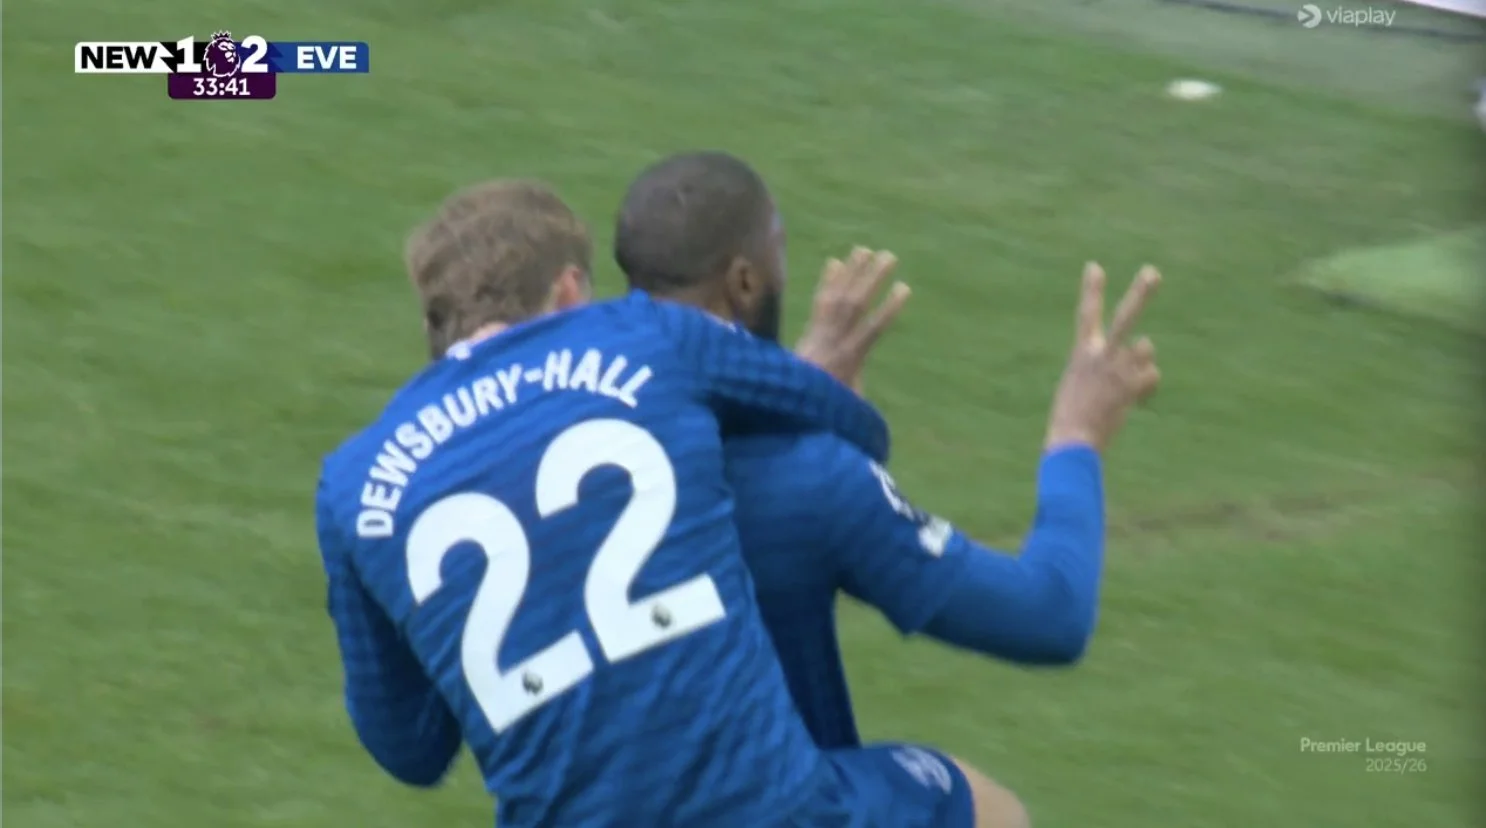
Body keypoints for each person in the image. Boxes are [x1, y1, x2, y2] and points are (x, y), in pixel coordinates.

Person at [313, 179, 906, 827]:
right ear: (570, 291)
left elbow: (410, 750)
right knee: (970, 797)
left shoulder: (349, 485)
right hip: (764, 805)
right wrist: (809, 378)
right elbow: (850, 432)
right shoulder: (646, 334)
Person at [612, 151, 1163, 826]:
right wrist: (1077, 435)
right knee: (992, 813)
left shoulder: (559, 444)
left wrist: (790, 390)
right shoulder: (811, 480)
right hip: (767, 807)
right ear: (745, 280)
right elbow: (1050, 614)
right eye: (778, 245)